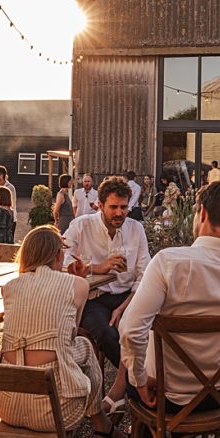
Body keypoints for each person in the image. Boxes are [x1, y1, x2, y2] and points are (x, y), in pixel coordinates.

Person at [119, 181, 220, 438]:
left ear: (203, 214)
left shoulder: (168, 263)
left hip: (167, 396)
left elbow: (130, 329)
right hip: (218, 393)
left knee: (138, 384)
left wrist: (138, 379)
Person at [0, 226, 128, 438]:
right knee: (83, 345)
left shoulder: (9, 288)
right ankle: (101, 424)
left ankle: (102, 426)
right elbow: (70, 335)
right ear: (57, 255)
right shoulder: (79, 285)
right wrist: (75, 280)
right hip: (55, 411)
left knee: (62, 349)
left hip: (7, 405)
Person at [64, 176, 151, 416]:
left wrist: (124, 307)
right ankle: (137, 390)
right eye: (113, 207)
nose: (120, 213)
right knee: (107, 333)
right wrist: (96, 267)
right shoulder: (81, 226)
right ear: (99, 205)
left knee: (140, 331)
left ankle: (121, 392)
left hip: (127, 298)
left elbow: (145, 275)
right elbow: (62, 257)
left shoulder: (136, 229)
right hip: (94, 298)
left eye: (124, 207)